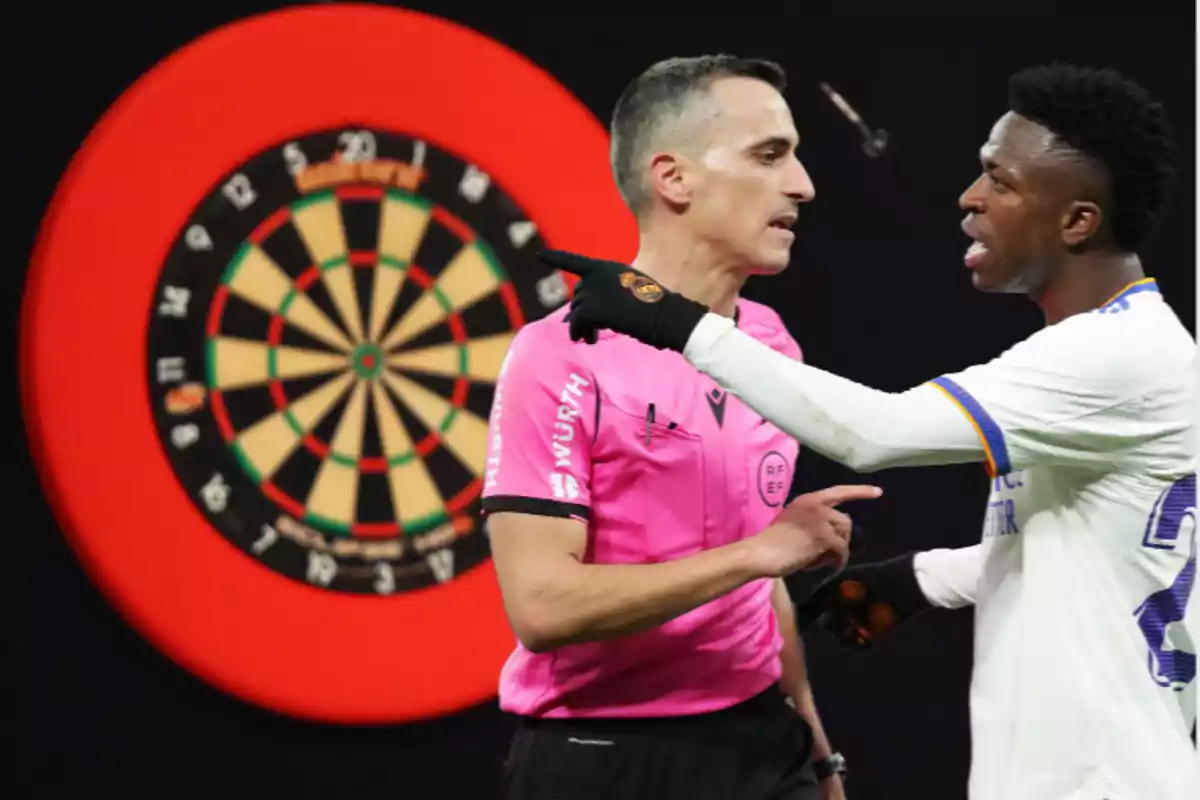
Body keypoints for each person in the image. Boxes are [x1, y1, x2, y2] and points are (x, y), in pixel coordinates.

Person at [542, 63, 1197, 800]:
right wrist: (927, 578)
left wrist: (670, 320)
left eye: (999, 181)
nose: (969, 198)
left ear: (1078, 221)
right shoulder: (1128, 349)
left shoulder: (1111, 356)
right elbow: (1095, 550)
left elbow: (873, 432)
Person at [482, 55, 874, 800]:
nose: (803, 185)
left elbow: (763, 588)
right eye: (770, 155)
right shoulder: (558, 354)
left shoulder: (772, 343)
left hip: (765, 745)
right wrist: (760, 552)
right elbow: (541, 606)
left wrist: (819, 749)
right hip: (605, 757)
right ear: (674, 179)